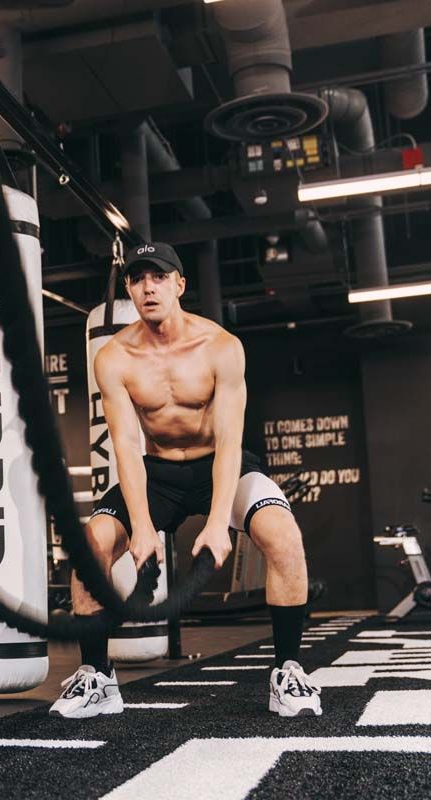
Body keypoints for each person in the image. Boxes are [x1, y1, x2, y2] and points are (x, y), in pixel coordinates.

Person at [50, 242, 322, 719]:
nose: (147, 287)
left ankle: (289, 671)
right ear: (130, 289)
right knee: (92, 543)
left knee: (282, 535)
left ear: (180, 284)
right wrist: (139, 526)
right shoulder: (114, 357)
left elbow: (231, 441)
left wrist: (219, 524)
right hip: (157, 473)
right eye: (137, 279)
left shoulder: (220, 347)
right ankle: (97, 677)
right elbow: (127, 447)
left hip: (220, 461)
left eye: (158, 277)